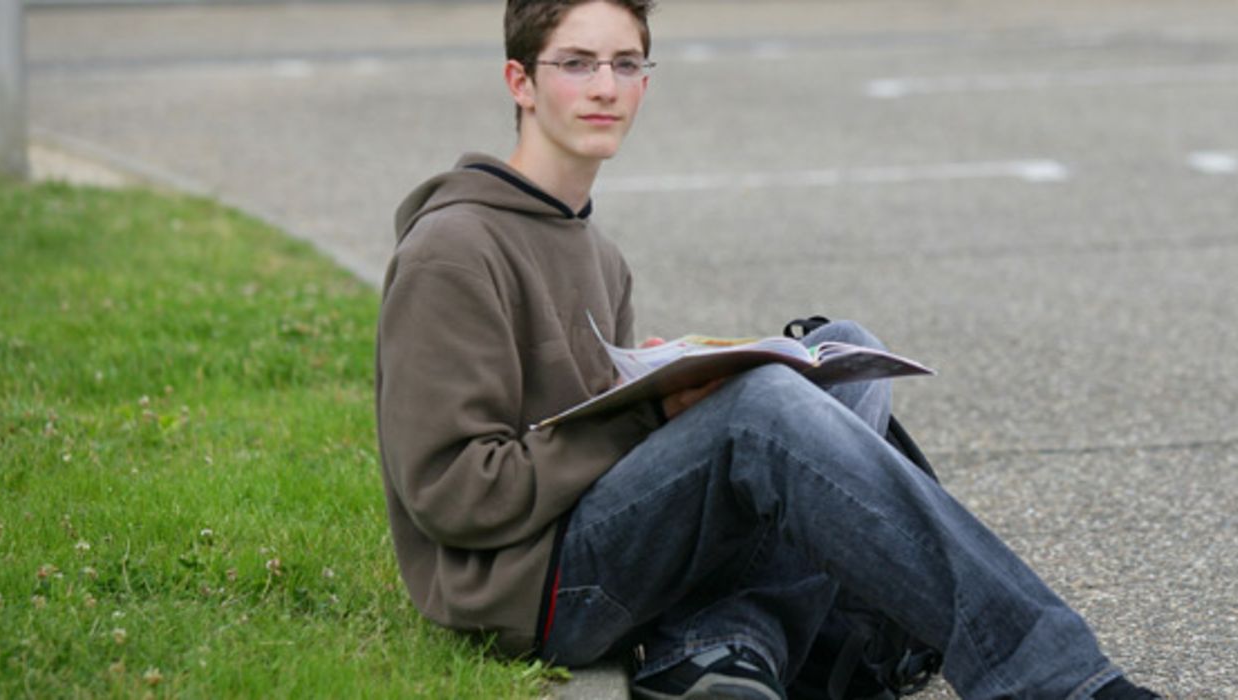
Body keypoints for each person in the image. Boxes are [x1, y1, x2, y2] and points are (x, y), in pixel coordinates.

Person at [375, 1, 1160, 698]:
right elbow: (453, 492)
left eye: (625, 63)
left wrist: (668, 392)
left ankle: (721, 649)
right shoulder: (454, 250)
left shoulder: (594, 248)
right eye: (575, 64)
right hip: (533, 594)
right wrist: (651, 414)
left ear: (646, 81)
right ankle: (1053, 682)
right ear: (520, 82)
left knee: (841, 349)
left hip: (602, 542)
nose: (605, 87)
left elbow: (585, 426)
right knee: (764, 405)